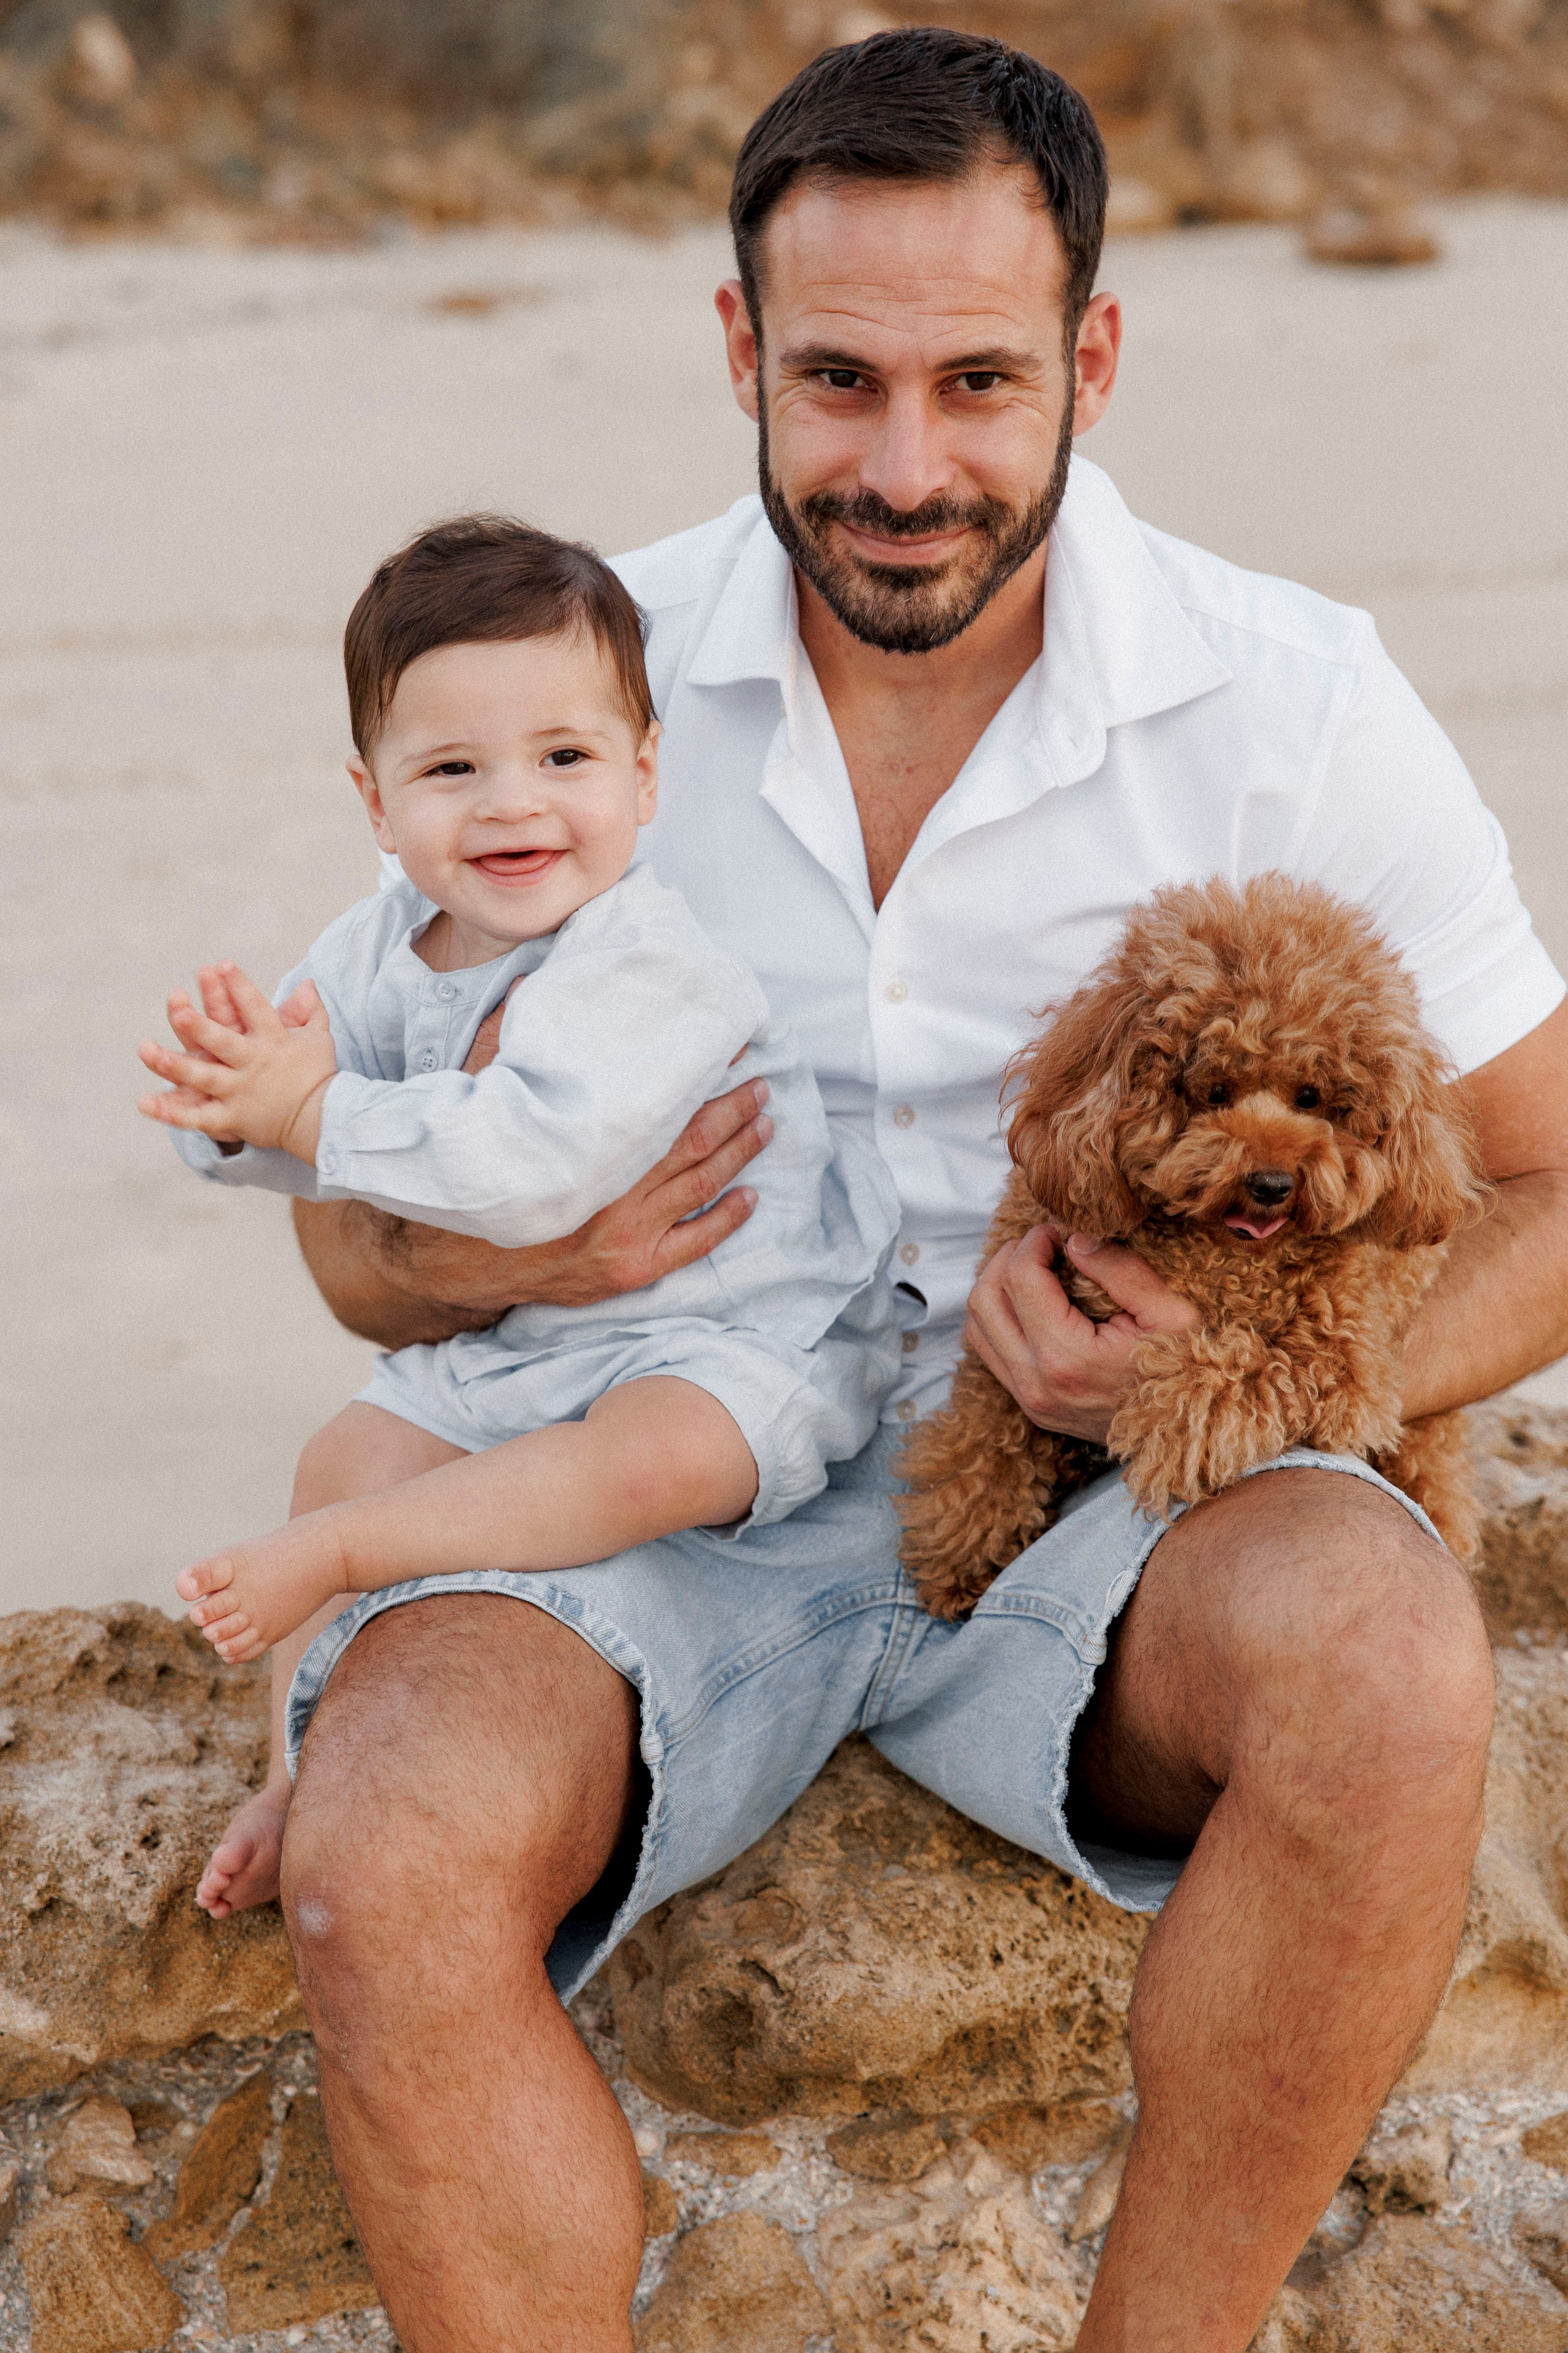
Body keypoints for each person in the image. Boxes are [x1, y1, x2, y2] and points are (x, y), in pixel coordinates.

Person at [191, 29, 1568, 2353]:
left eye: (977, 383)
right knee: (385, 1850)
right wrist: (510, 1250)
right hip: (638, 1474)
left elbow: (1545, 1179)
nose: (904, 469)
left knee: (1397, 1665)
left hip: (1133, 1513)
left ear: (1092, 359)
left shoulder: (1297, 702)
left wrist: (1217, 1375)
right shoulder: (553, 693)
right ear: (736, 348)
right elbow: (349, 1242)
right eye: (835, 381)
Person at [136, 515, 896, 1691]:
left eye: (563, 759)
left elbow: (530, 1163)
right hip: (527, 1343)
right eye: (451, 769)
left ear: (643, 775)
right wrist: (233, 1111)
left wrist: (309, 1113)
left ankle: (351, 1550)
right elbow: (309, 1122)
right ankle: (292, 1766)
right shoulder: (379, 944)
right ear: (378, 806)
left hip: (733, 1337)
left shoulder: (645, 960)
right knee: (345, 1452)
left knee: (652, 1457)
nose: (510, 805)